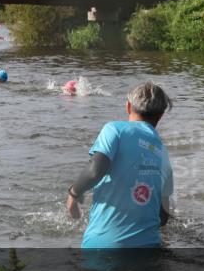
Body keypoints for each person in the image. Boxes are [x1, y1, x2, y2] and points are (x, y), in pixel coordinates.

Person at [66, 82, 174, 248]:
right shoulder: (163, 152)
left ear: (128, 106)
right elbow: (163, 215)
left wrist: (74, 193)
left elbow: (95, 170)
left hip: (104, 246)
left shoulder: (114, 130)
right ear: (160, 116)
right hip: (149, 249)